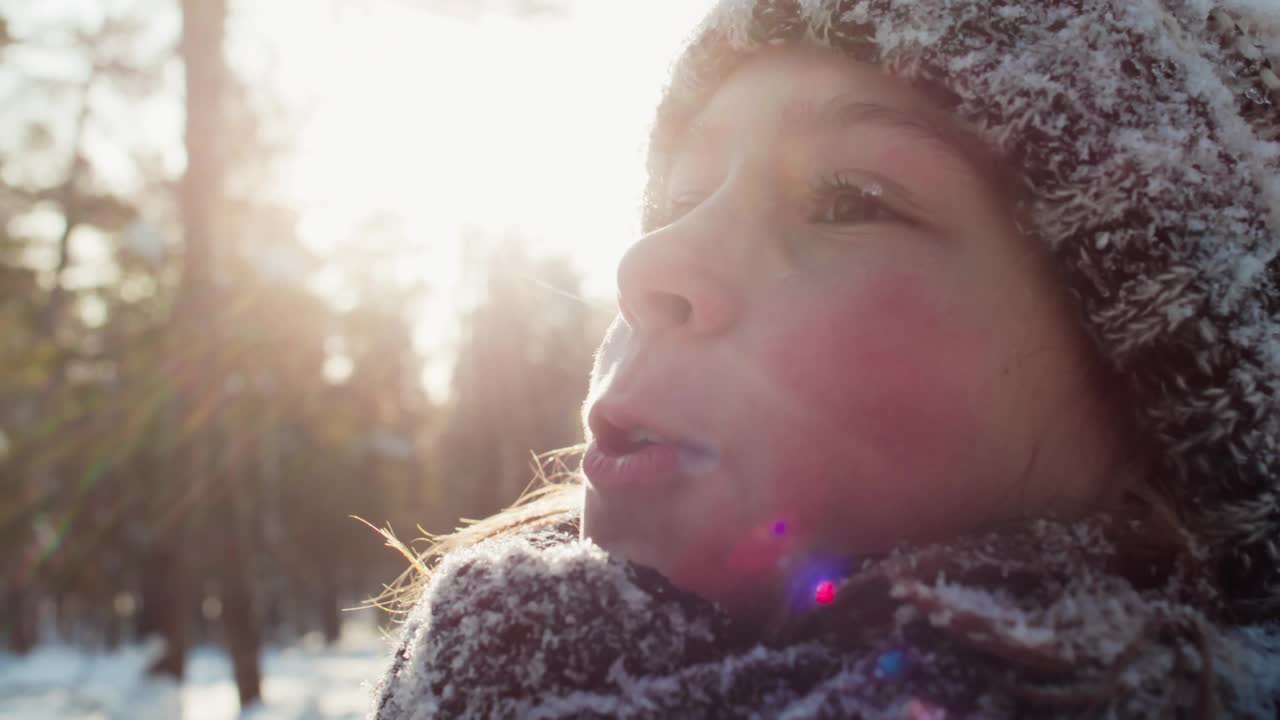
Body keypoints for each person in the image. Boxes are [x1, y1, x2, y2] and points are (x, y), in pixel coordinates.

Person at [370, 1, 1280, 716]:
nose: (647, 263)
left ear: (1155, 404)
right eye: (681, 199)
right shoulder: (485, 667)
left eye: (847, 200)